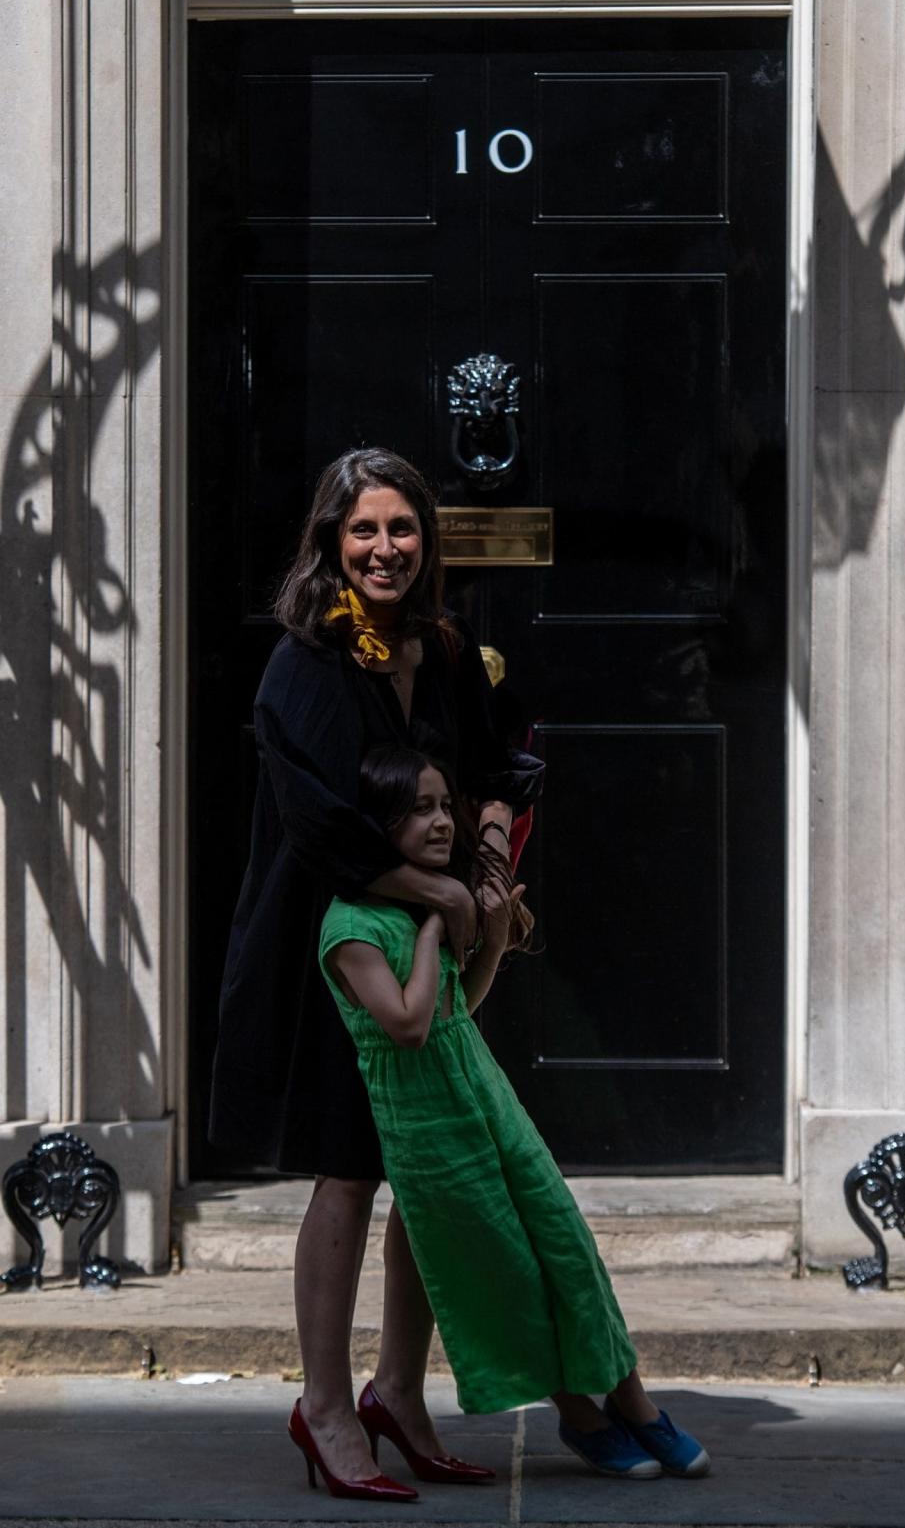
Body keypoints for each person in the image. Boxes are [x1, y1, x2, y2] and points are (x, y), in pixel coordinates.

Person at [210, 449, 543, 1504]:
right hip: (337, 944)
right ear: (329, 542)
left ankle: (397, 1388)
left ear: (425, 542)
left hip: (431, 949)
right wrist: (434, 894)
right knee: (349, 1168)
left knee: (432, 1170)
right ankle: (320, 1406)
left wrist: (486, 865)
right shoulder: (301, 667)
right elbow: (322, 827)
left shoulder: (441, 650)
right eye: (364, 531)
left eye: (402, 529)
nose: (384, 549)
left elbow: (497, 762)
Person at [313, 743, 710, 1490]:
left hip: (489, 1099)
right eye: (419, 809)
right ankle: (581, 1415)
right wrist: (435, 924)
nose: (439, 823)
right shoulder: (354, 924)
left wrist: (489, 937)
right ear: (379, 823)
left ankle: (632, 1397)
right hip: (429, 1131)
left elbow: (459, 1004)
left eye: (442, 806)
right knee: (503, 1269)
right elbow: (408, 1022)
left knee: (564, 1240)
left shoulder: (423, 897)